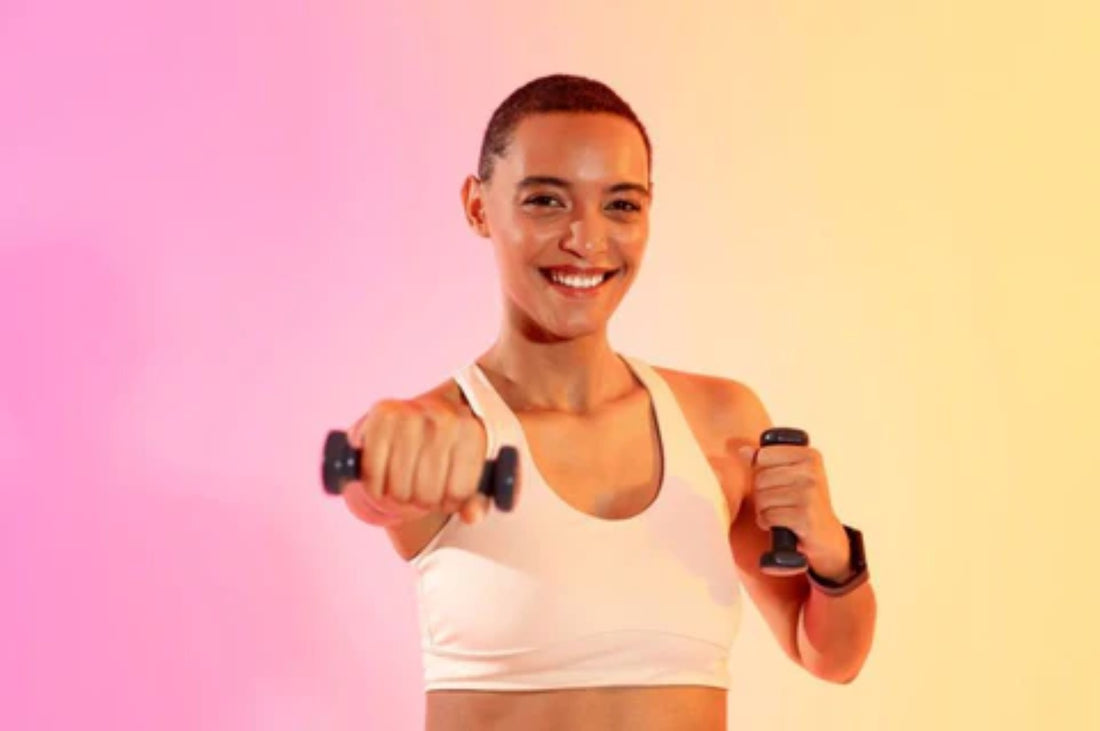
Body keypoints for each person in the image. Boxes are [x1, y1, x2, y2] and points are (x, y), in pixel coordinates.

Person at [341, 74, 877, 731]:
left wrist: (832, 553)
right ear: (478, 207)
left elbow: (831, 654)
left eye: (621, 205)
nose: (587, 239)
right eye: (545, 200)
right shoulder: (449, 430)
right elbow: (378, 478)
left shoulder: (721, 421)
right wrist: (377, 447)